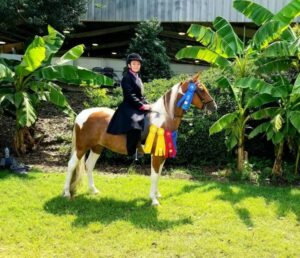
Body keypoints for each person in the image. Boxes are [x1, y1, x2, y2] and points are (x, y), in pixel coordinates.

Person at [107, 53, 151, 157]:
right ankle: (132, 151)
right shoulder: (126, 78)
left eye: (138, 64)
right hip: (129, 105)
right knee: (135, 124)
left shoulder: (138, 78)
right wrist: (142, 106)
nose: (136, 66)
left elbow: (140, 95)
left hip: (137, 104)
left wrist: (147, 103)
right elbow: (130, 95)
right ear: (129, 65)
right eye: (134, 64)